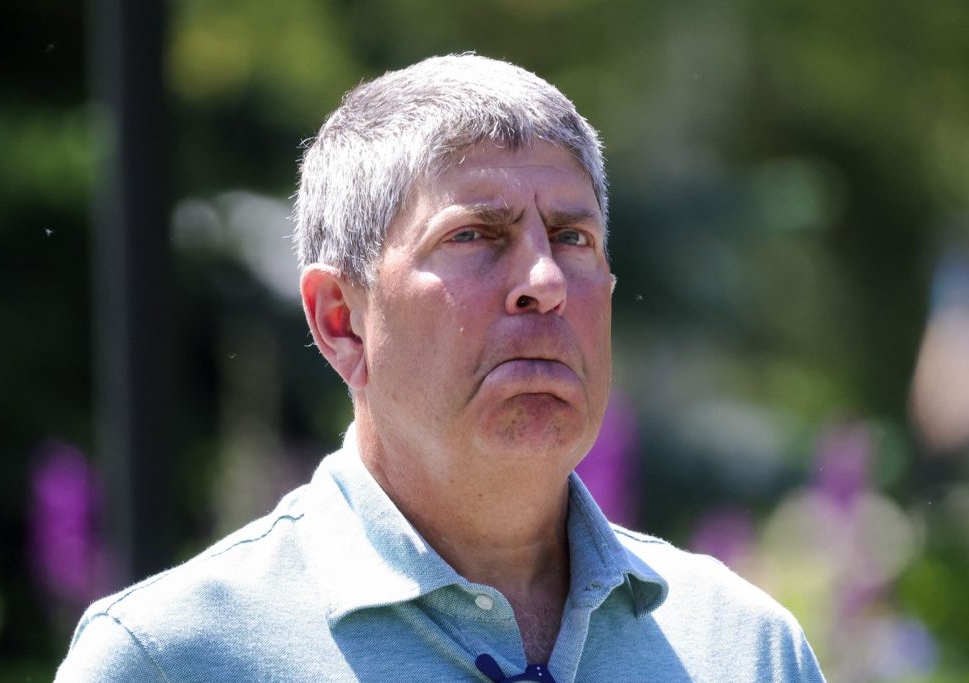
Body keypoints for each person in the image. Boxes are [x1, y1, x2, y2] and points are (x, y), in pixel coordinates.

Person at [55, 54, 825, 682]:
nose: (545, 280)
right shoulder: (169, 659)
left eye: (573, 237)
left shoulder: (744, 649)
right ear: (340, 320)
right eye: (475, 235)